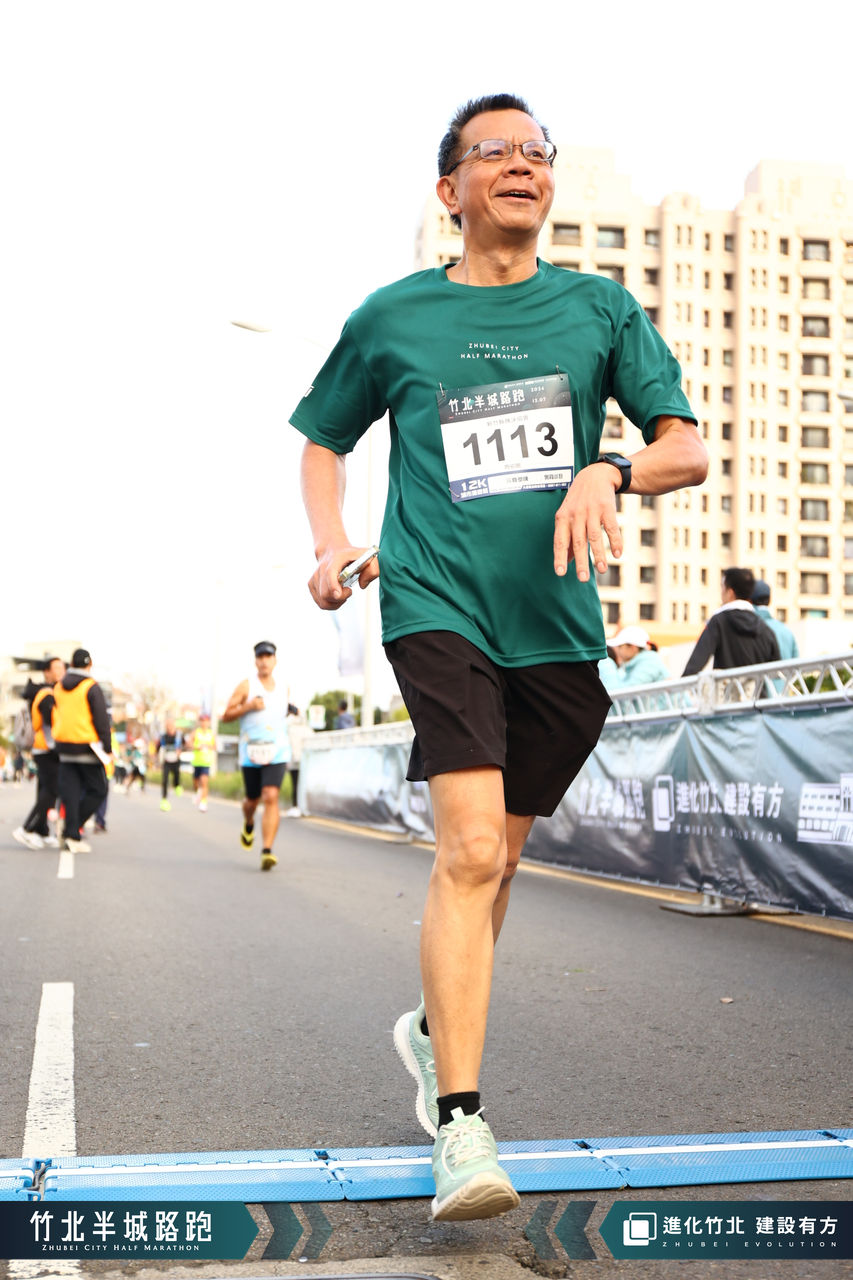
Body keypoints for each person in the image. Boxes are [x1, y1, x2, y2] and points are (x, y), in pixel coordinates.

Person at [290, 92, 707, 1221]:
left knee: (499, 863)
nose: (521, 163)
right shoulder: (394, 317)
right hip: (434, 602)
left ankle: (433, 1029)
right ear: (451, 191)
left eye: (536, 150)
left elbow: (684, 448)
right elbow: (322, 437)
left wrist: (608, 468)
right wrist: (329, 544)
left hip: (557, 626)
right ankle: (462, 1123)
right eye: (494, 151)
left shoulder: (598, 309)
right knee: (470, 848)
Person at [220, 641, 291, 870]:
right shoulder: (246, 686)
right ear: (255, 661)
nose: (264, 661)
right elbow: (226, 715)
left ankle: (267, 850)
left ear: (275, 660)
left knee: (271, 795)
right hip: (250, 752)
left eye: (268, 656)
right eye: (260, 657)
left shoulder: (284, 687)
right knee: (252, 800)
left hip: (277, 751)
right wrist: (247, 707)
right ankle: (249, 821)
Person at [53, 648, 112, 853]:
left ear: (71, 664)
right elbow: (101, 720)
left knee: (71, 793)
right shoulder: (91, 686)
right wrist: (107, 748)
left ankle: (71, 833)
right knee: (99, 790)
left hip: (64, 747)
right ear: (90, 664)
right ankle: (72, 830)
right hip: (87, 747)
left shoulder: (59, 687)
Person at [682, 567, 781, 676]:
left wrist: (683, 683)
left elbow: (696, 663)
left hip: (728, 686)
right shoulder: (765, 628)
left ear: (730, 593)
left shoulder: (718, 622)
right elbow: (776, 671)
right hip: (757, 687)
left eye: (722, 587)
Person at [13, 656, 66, 850]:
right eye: (57, 668)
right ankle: (27, 829)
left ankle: (41, 831)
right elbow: (50, 725)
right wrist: (59, 746)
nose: (62, 671)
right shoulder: (47, 695)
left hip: (43, 749)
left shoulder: (46, 692)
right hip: (47, 749)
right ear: (47, 672)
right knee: (52, 789)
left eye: (63, 667)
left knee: (45, 789)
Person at [751, 579, 799, 660]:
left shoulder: (747, 628)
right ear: (770, 600)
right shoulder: (786, 630)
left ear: (749, 600)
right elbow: (796, 662)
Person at [284, 703, 312, 816]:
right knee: (303, 785)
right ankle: (304, 807)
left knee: (295, 784)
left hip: (293, 760)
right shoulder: (307, 728)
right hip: (305, 762)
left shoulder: (288, 727)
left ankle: (295, 806)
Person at [189, 712, 216, 812]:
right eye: (202, 721)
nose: (204, 723)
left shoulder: (211, 733)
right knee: (196, 783)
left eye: (206, 721)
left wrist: (208, 746)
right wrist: (197, 747)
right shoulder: (196, 732)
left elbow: (215, 746)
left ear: (209, 722)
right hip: (197, 762)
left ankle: (203, 802)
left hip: (206, 762)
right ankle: (197, 792)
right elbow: (189, 743)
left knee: (204, 781)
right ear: (200, 722)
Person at [158, 717, 183, 811]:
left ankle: (177, 786)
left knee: (176, 777)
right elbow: (158, 747)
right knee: (164, 780)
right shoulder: (163, 737)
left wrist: (180, 750)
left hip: (176, 761)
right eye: (168, 725)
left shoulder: (179, 736)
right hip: (166, 761)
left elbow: (185, 745)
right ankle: (164, 800)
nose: (169, 727)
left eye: (171, 725)